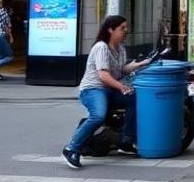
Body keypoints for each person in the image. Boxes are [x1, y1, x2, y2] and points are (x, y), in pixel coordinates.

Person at [62, 15, 150, 169]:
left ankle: (126, 140)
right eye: (122, 28)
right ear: (110, 29)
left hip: (109, 89)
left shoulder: (120, 48)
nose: (125, 30)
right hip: (93, 89)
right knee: (98, 115)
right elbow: (103, 76)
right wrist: (121, 87)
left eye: (126, 27)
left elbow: (122, 69)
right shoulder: (101, 47)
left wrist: (142, 64)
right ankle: (71, 148)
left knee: (135, 99)